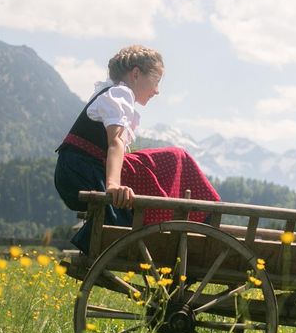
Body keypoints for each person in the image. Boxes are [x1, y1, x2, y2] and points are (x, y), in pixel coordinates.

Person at [54, 45, 219, 250]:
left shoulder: (111, 93)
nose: (157, 91)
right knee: (177, 157)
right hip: (84, 169)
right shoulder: (120, 94)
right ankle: (198, 224)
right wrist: (113, 185)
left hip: (77, 168)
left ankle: (180, 222)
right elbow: (116, 142)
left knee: (170, 158)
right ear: (136, 74)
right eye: (156, 81)